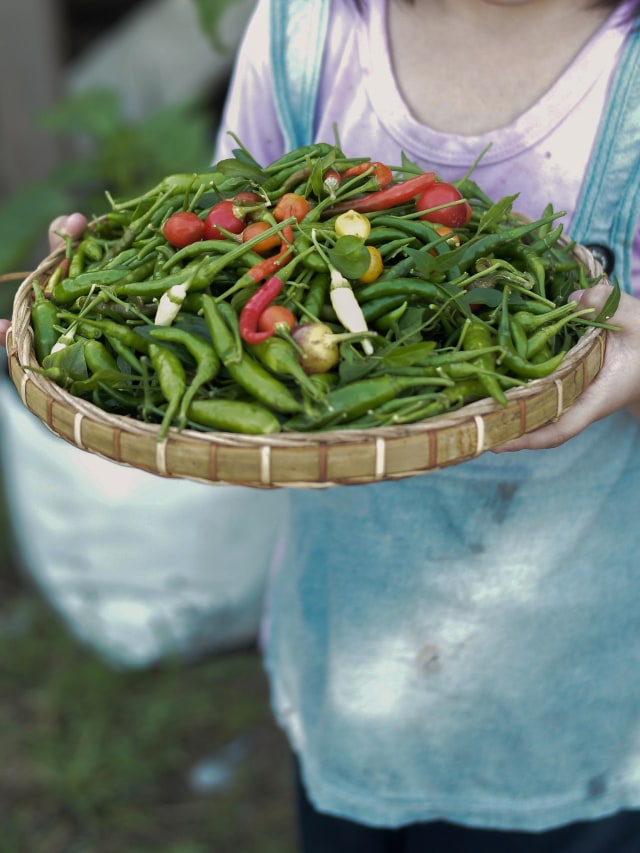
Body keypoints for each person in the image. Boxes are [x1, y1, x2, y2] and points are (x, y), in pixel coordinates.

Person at [3, 0, 640, 850]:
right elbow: (240, 232)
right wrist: (117, 276)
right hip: (350, 671)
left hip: (573, 713)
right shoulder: (307, 32)